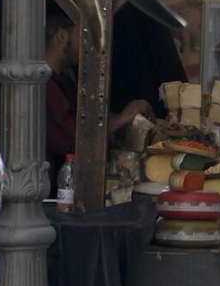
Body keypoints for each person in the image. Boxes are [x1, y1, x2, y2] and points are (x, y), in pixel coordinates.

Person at [44, 10, 149, 192]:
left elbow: (88, 118)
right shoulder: (44, 84)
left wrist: (129, 120)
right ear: (61, 36)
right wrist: (124, 117)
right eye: (84, 34)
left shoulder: (65, 80)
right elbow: (75, 136)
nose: (89, 44)